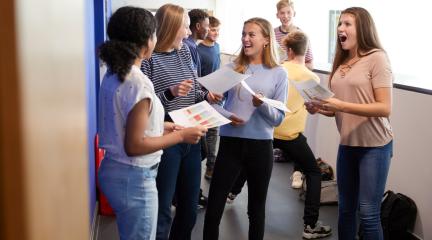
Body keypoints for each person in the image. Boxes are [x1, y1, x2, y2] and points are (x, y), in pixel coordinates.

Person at [97, 6, 207, 240]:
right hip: (134, 177)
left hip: (114, 171)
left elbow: (125, 121)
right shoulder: (138, 83)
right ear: (147, 40)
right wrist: (180, 136)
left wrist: (165, 126)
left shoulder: (115, 72)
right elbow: (134, 145)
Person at [305, 7, 393, 240]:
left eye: (347, 24)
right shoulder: (342, 62)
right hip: (347, 145)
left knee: (368, 214)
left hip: (374, 146)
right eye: (340, 24)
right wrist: (321, 108)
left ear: (362, 28)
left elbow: (384, 108)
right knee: (345, 210)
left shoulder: (377, 58)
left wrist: (340, 105)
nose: (340, 28)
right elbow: (339, 109)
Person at [141, 4, 221, 240]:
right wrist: (171, 93)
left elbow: (195, 93)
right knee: (163, 209)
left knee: (189, 209)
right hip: (166, 138)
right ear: (171, 27)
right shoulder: (149, 60)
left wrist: (207, 95)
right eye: (185, 27)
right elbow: (146, 109)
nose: (188, 33)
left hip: (192, 136)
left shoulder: (185, 52)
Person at [203, 17, 288, 240]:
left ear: (266, 40)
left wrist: (262, 106)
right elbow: (214, 104)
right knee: (214, 205)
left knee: (256, 209)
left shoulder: (279, 73)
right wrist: (226, 115)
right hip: (230, 143)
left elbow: (278, 119)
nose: (246, 39)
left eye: (251, 34)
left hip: (260, 147)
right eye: (244, 34)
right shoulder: (232, 67)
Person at [183, 8, 211, 209]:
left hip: (196, 101)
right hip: (191, 107)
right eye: (208, 26)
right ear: (198, 26)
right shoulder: (189, 47)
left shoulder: (193, 46)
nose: (209, 30)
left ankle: (190, 193)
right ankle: (186, 194)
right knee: (199, 150)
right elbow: (193, 80)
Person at [197, 16, 222, 180]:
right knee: (202, 134)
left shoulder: (217, 46)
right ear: (205, 29)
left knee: (214, 132)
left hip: (216, 96)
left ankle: (211, 167)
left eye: (218, 30)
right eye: (213, 29)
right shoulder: (198, 50)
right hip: (201, 97)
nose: (216, 33)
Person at [274, 0, 314, 70]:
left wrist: (291, 66)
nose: (285, 16)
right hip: (276, 77)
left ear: (294, 13)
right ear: (277, 15)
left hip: (294, 79)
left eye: (289, 12)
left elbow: (311, 65)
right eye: (282, 13)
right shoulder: (272, 33)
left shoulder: (302, 35)